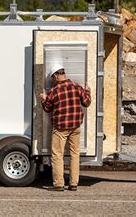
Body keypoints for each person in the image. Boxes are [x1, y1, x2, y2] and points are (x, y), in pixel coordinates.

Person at [40, 63, 91, 192]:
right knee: (75, 155)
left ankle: (59, 184)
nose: (53, 80)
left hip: (60, 128)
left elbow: (47, 109)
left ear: (56, 76)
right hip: (75, 127)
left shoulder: (53, 91)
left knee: (57, 155)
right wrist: (88, 91)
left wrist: (43, 99)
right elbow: (87, 102)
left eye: (53, 78)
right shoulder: (77, 87)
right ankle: (73, 184)